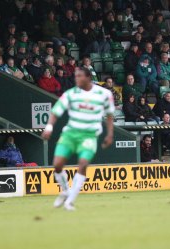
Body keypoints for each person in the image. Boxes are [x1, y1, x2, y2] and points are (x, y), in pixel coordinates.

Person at [41, 67, 115, 211]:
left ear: (88, 77)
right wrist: (49, 127)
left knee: (82, 164)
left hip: (89, 136)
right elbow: (55, 112)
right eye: (75, 76)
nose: (76, 79)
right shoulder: (70, 93)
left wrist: (110, 134)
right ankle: (65, 190)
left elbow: (110, 115)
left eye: (79, 76)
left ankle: (70, 201)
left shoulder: (104, 94)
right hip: (69, 134)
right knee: (57, 165)